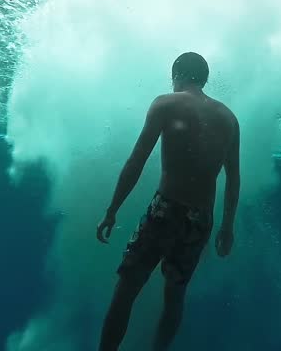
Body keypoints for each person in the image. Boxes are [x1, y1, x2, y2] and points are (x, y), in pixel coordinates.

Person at [96, 52, 241, 351]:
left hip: (166, 209)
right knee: (174, 296)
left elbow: (136, 161)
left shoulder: (166, 103)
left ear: (177, 75)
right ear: (204, 78)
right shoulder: (229, 118)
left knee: (127, 289)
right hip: (201, 220)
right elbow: (233, 179)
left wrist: (112, 210)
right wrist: (227, 226)